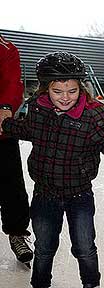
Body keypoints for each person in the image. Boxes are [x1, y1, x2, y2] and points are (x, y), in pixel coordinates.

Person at [0, 51, 104, 288]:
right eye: (58, 91)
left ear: (81, 88)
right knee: (44, 247)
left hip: (80, 194)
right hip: (44, 193)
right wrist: (6, 124)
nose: (65, 98)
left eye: (72, 91)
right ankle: (40, 287)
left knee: (85, 247)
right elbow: (25, 129)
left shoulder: (91, 116)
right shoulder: (38, 110)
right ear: (45, 90)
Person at [0, 34, 33, 267]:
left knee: (11, 184)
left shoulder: (6, 48)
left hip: (1, 133)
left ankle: (17, 232)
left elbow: (13, 82)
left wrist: (5, 107)